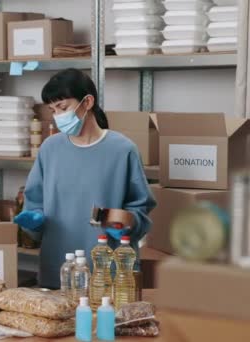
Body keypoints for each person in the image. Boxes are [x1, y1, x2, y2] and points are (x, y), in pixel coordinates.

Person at [14, 69, 156, 289]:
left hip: (108, 272)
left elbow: (141, 207)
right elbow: (35, 203)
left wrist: (128, 223)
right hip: (58, 270)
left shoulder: (122, 150)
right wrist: (34, 220)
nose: (57, 116)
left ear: (87, 101)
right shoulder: (50, 149)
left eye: (63, 107)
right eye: (52, 110)